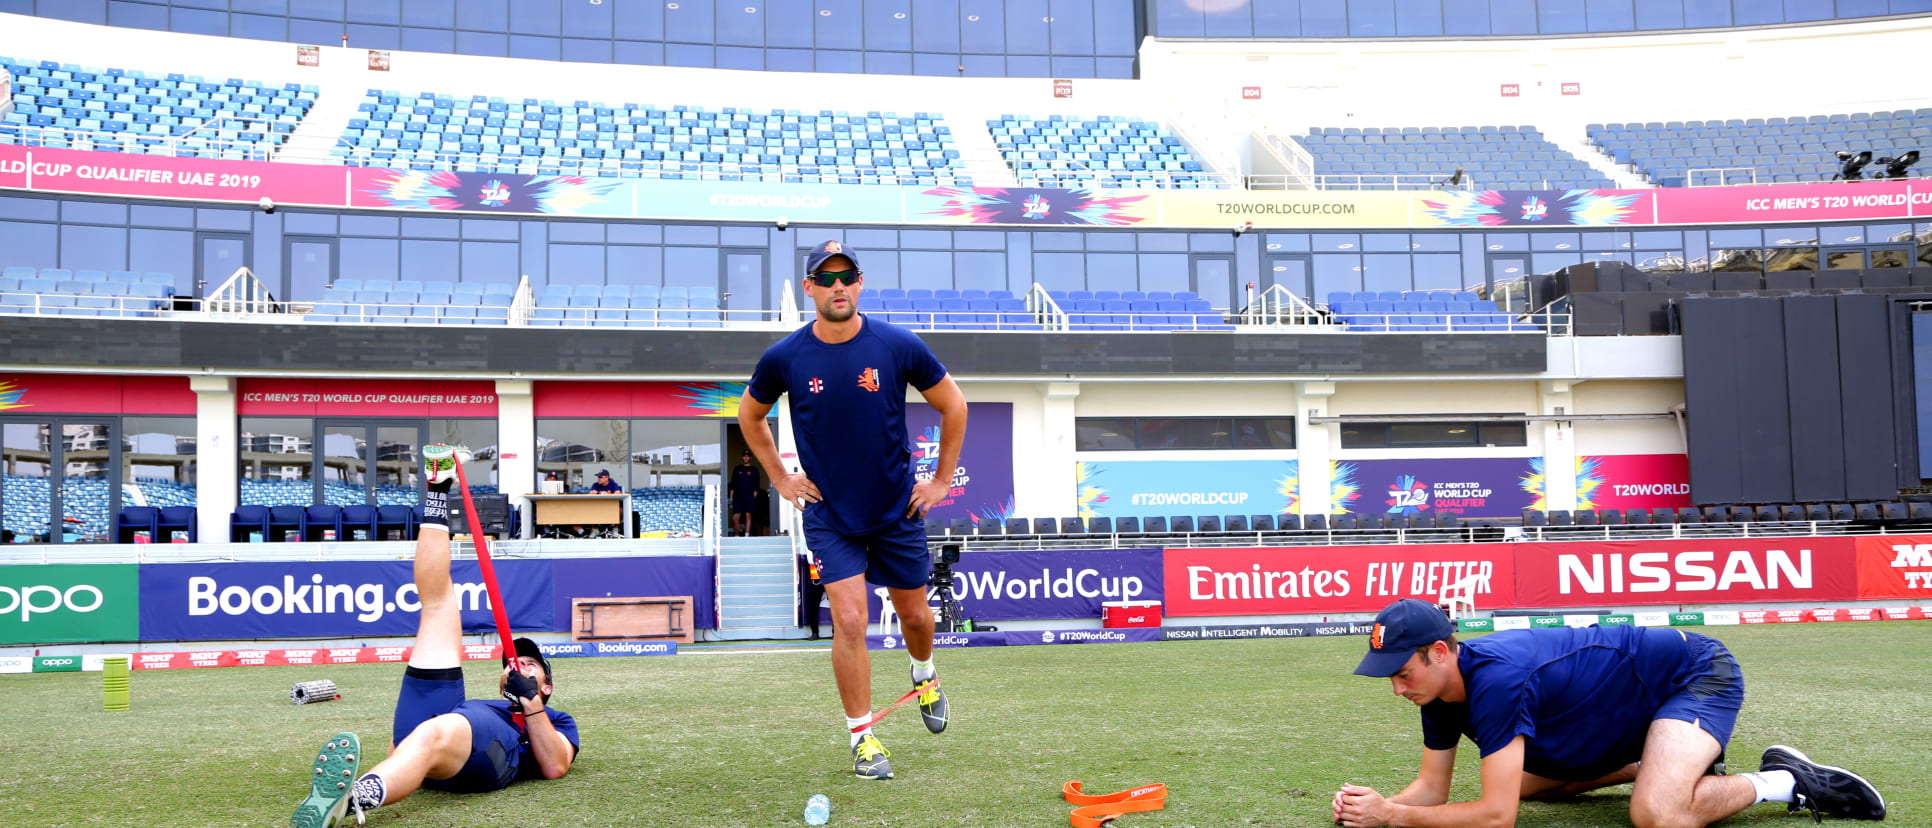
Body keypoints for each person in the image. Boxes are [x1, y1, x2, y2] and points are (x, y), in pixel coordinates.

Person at [1334, 598, 1886, 828]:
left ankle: (1785, 780)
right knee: (1523, 783)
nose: (1396, 688)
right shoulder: (1436, 691)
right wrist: (1369, 806)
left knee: (1658, 815)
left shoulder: (1496, 680)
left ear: (1440, 652)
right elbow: (1433, 788)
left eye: (1401, 673)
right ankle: (1650, 763)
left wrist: (1396, 817)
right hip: (1627, 710)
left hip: (1694, 673)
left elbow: (1497, 817)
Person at [738, 239, 967, 780]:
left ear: (859, 284)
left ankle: (924, 672)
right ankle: (863, 739)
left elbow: (953, 404)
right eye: (827, 277)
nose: (838, 286)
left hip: (895, 509)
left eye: (847, 277)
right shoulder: (784, 357)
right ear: (809, 288)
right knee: (849, 618)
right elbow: (750, 417)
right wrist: (779, 476)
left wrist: (939, 481)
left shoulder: (896, 344)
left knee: (915, 617)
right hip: (829, 514)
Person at [290, 444, 580, 828]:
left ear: (545, 686)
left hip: (493, 752)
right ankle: (437, 490)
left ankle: (352, 798)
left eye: (530, 666)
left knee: (432, 733)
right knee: (440, 606)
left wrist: (531, 705)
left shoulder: (559, 720)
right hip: (451, 728)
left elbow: (556, 766)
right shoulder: (482, 705)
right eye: (513, 663)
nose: (518, 665)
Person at [729, 450, 762, 537]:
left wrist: (754, 495)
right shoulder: (737, 469)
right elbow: (733, 483)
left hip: (749, 495)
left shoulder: (754, 470)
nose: (746, 458)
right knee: (735, 517)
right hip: (738, 496)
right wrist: (731, 497)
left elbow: (757, 483)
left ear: (750, 457)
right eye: (744, 456)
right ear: (742, 457)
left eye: (747, 456)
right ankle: (737, 535)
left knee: (748, 515)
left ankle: (746, 535)